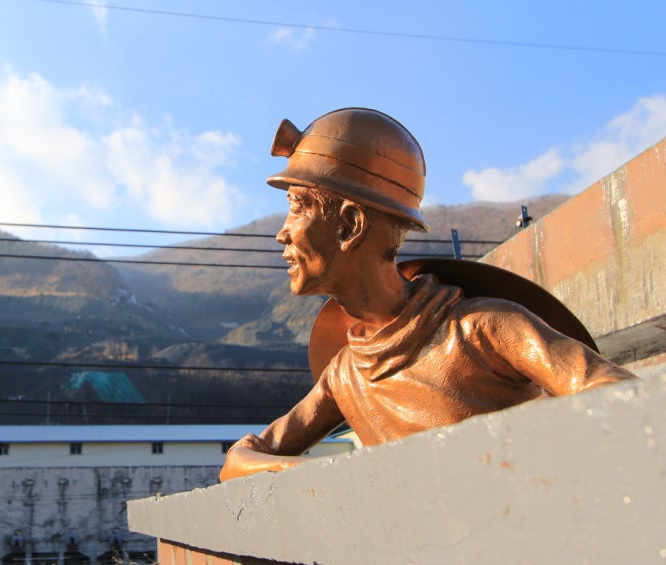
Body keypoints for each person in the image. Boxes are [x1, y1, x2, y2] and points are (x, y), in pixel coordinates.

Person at [219, 108, 635, 482]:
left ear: (349, 225)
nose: (282, 232)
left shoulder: (483, 329)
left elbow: (620, 395)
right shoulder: (344, 374)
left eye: (297, 207)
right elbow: (237, 462)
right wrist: (324, 475)